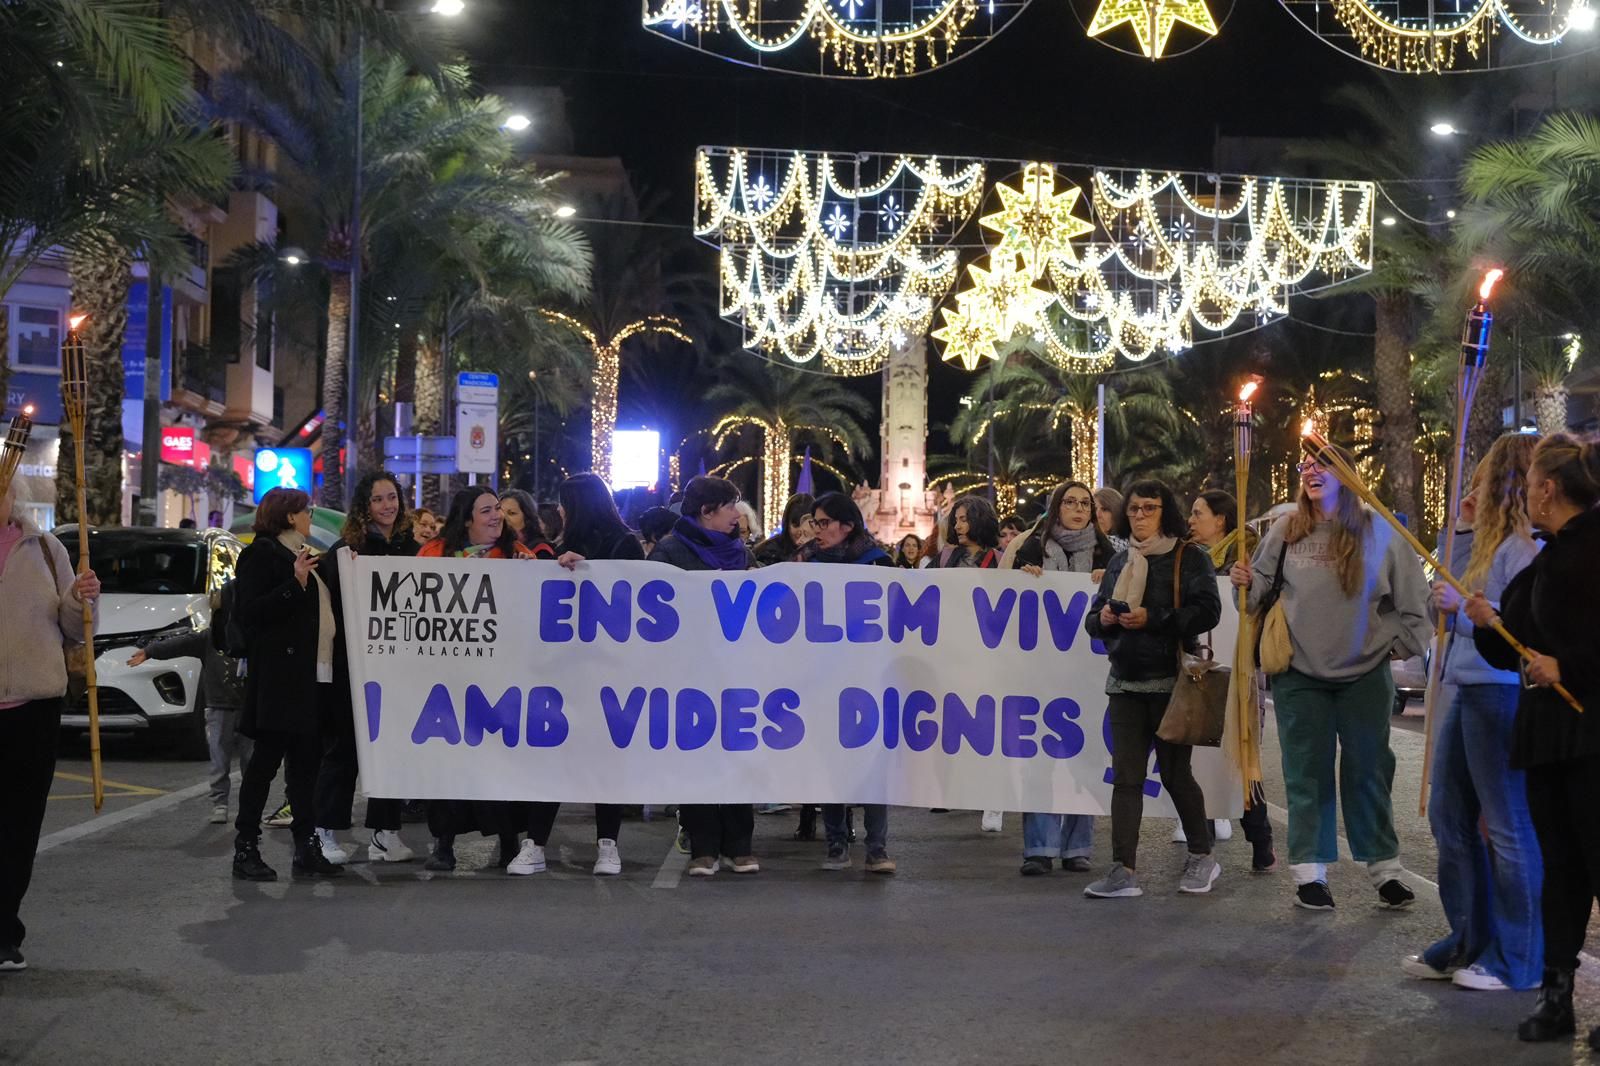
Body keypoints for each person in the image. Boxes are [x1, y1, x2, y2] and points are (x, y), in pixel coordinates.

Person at [1231, 443, 1430, 911]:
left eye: (1322, 464)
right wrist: (1245, 580)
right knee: (1307, 774)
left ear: (1348, 474)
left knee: (1370, 771)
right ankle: (1311, 874)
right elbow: (1259, 590)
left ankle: (1385, 869)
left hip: (1365, 676)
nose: (1311, 471)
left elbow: (1415, 602)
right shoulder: (1286, 529)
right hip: (1299, 673)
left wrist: (1396, 647)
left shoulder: (1383, 531)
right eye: (1305, 465)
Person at [1465, 434, 1600, 1044]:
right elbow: (1508, 642)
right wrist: (1485, 621)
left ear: (1548, 488)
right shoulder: (1546, 557)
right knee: (1563, 868)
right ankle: (1557, 996)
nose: (1526, 494)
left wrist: (1566, 666)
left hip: (1592, 734)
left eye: (1532, 484)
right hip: (1549, 737)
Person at [1402, 433, 1543, 993]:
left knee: (1507, 826)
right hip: (1466, 685)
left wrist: (1471, 611)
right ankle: (1468, 937)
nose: (1474, 486)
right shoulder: (1486, 540)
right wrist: (1459, 528)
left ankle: (1520, 957)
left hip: (1500, 689)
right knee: (1449, 817)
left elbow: (1517, 624)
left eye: (1485, 476)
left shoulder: (1527, 546)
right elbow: (1453, 587)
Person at [1083, 480, 1222, 899]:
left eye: (1150, 508)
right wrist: (1106, 618)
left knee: (1177, 774)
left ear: (1166, 513)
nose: (1140, 515)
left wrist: (1153, 618)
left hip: (1170, 684)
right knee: (1126, 778)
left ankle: (1202, 856)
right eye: (1135, 509)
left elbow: (1208, 611)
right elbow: (1091, 623)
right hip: (1124, 683)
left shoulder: (1189, 558)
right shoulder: (1118, 562)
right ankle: (1123, 869)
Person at [524, 472, 646, 877]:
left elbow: (633, 598)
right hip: (565, 672)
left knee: (604, 760)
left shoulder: (624, 544)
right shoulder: (561, 549)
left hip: (610, 671)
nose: (558, 511)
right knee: (553, 759)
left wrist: (591, 571)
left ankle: (607, 845)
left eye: (562, 503)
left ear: (575, 506)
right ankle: (534, 844)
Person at [0, 478, 99, 972]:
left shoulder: (45, 548)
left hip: (32, 709)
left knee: (19, 827)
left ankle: (4, 931)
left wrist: (83, 599)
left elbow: (71, 625)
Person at [416, 488, 539, 873]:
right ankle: (444, 843)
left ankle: (508, 840)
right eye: (486, 510)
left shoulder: (518, 554)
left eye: (499, 510)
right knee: (450, 763)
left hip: (500, 680)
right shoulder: (434, 553)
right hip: (449, 680)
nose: (496, 517)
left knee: (500, 761)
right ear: (465, 519)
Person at [647, 476, 760, 877]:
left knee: (735, 754)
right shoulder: (670, 553)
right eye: (730, 506)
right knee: (697, 758)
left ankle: (739, 845)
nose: (736, 514)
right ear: (706, 511)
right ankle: (704, 847)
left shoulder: (740, 553)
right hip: (688, 673)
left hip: (734, 673)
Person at [230, 487, 344, 882]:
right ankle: (246, 846)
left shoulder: (306, 558)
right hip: (280, 681)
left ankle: (305, 846)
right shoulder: (262, 553)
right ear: (289, 515)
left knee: (305, 768)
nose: (310, 515)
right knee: (264, 765)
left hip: (311, 679)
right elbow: (249, 613)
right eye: (305, 510)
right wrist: (293, 583)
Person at [310, 471, 420, 866]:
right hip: (351, 668)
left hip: (401, 671)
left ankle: (385, 833)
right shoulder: (344, 550)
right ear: (363, 507)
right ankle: (324, 831)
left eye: (392, 498)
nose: (388, 506)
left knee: (393, 749)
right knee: (343, 750)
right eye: (378, 500)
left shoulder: (416, 549)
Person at [1011, 481, 1111, 875]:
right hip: (1040, 676)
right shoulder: (1031, 547)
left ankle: (1077, 847)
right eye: (1069, 502)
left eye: (1085, 503)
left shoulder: (1109, 553)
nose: (1078, 508)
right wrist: (1023, 577)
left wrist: (1111, 578)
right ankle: (1039, 847)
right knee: (1039, 760)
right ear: (1056, 508)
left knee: (1085, 760)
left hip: (1088, 675)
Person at [806, 492, 895, 874]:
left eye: (824, 523)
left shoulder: (877, 563)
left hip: (868, 679)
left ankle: (876, 849)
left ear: (848, 525)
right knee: (832, 766)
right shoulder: (805, 564)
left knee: (872, 767)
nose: (818, 530)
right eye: (815, 523)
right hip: (823, 678)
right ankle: (836, 845)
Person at [1185, 490, 1274, 869]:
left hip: (1240, 671)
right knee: (1198, 756)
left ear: (1221, 520)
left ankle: (1261, 843)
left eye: (1197, 513)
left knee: (1242, 758)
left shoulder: (1248, 557)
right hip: (1201, 669)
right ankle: (1200, 845)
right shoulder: (1190, 560)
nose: (1191, 520)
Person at [129, 583, 250, 825]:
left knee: (251, 760)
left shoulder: (253, 635)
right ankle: (220, 802)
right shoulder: (210, 637)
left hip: (249, 706)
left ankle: (249, 806)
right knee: (219, 757)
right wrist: (150, 651)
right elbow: (180, 643)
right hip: (219, 705)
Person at [928, 494, 1001, 570]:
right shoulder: (945, 557)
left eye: (963, 520)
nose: (956, 527)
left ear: (981, 521)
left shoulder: (1000, 560)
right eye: (956, 521)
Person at [752, 493, 816, 566]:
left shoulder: (823, 552)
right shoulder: (767, 553)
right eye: (796, 525)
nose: (800, 531)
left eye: (806, 530)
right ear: (786, 523)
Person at [499, 488, 556, 558]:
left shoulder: (541, 551)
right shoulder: (494, 548)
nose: (504, 518)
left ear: (527, 517)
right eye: (500, 513)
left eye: (512, 513)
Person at [1095, 486, 1128, 553]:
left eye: (1104, 509)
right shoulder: (1088, 545)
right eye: (1095, 509)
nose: (1098, 515)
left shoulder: (1135, 546)